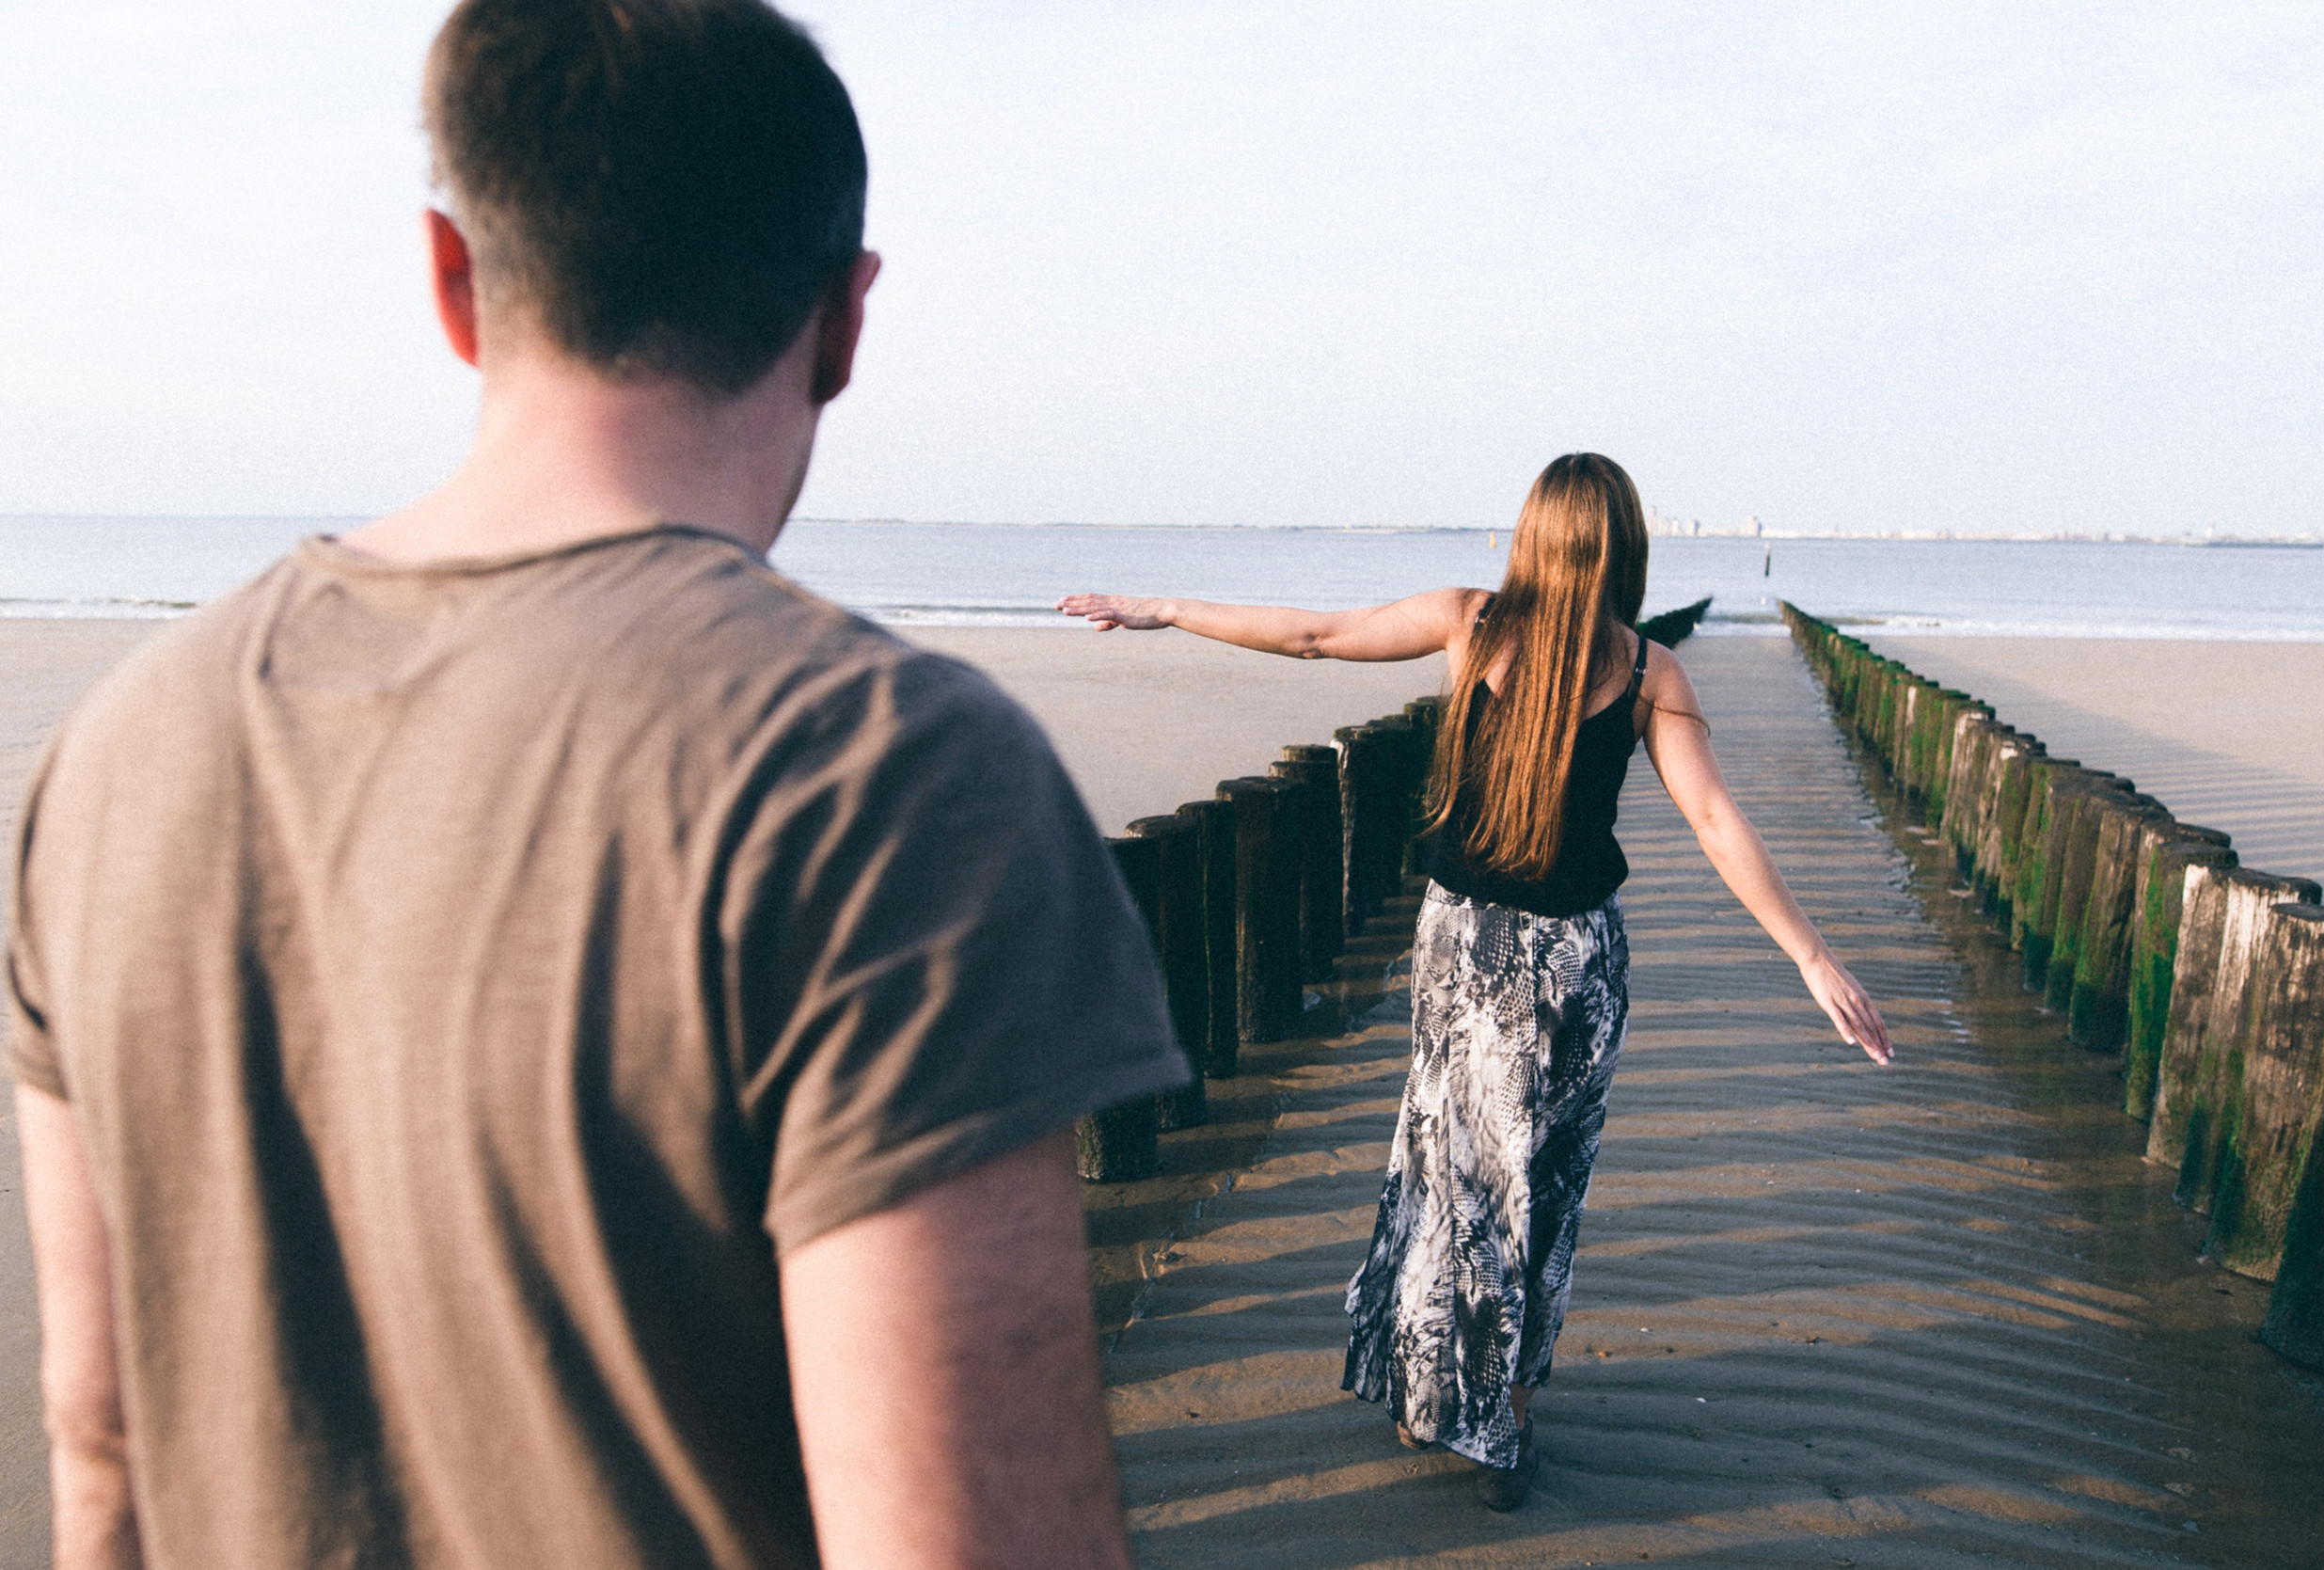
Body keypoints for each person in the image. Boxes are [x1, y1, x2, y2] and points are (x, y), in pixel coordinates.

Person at [8, 4, 1186, 1566]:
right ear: (844, 318)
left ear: (454, 282)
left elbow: (99, 1442)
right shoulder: (887, 775)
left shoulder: (114, 753)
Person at [1056, 451, 1891, 1512]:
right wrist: (1809, 953)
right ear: (1625, 547)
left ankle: (1429, 1394)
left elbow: (1315, 636)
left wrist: (1161, 607)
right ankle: (1494, 1419)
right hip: (1571, 966)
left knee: (1447, 1172)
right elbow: (1716, 823)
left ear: (1532, 538)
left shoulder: (1474, 623)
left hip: (1460, 946)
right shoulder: (1644, 672)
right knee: (1529, 1194)